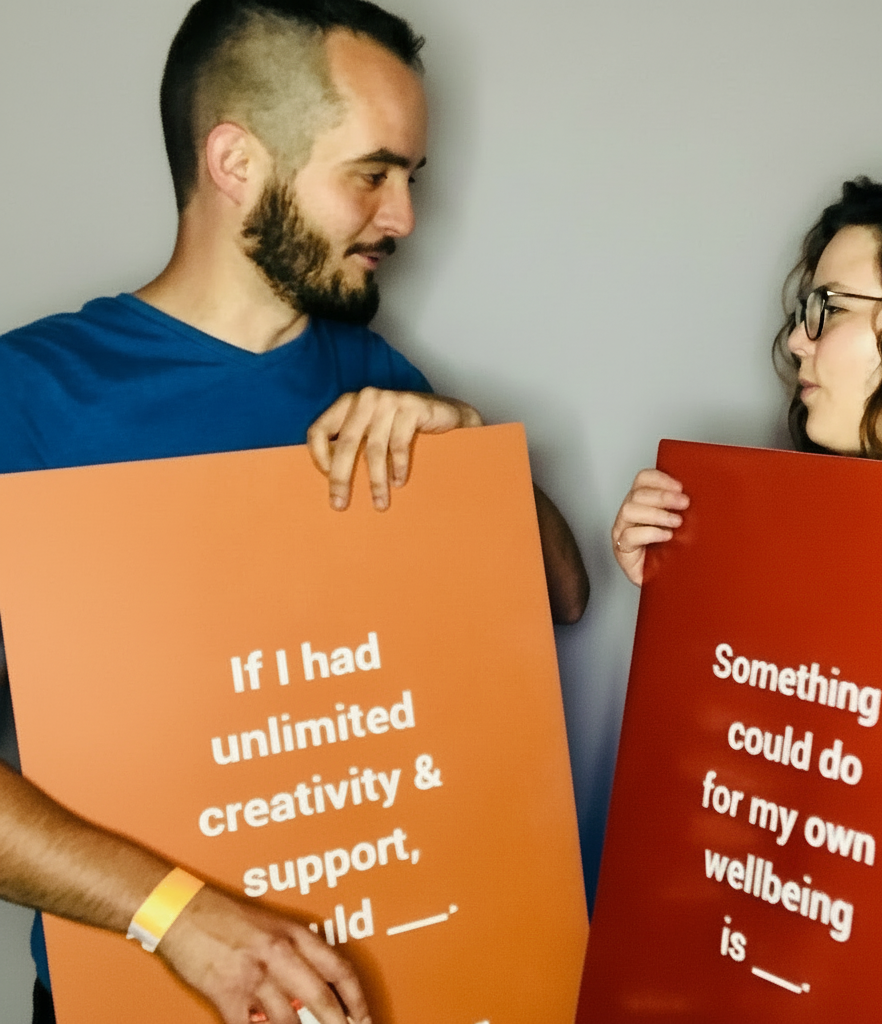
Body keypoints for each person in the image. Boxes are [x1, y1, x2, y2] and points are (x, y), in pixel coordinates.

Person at [0, 2, 588, 1023]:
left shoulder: (371, 369)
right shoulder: (30, 394)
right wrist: (177, 915)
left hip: (407, 980)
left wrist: (470, 457)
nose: (403, 217)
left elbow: (562, 595)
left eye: (412, 179)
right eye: (371, 173)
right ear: (235, 162)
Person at [610, 176, 882, 1019]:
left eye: (830, 307)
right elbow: (752, 782)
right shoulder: (793, 527)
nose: (798, 343)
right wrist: (680, 598)